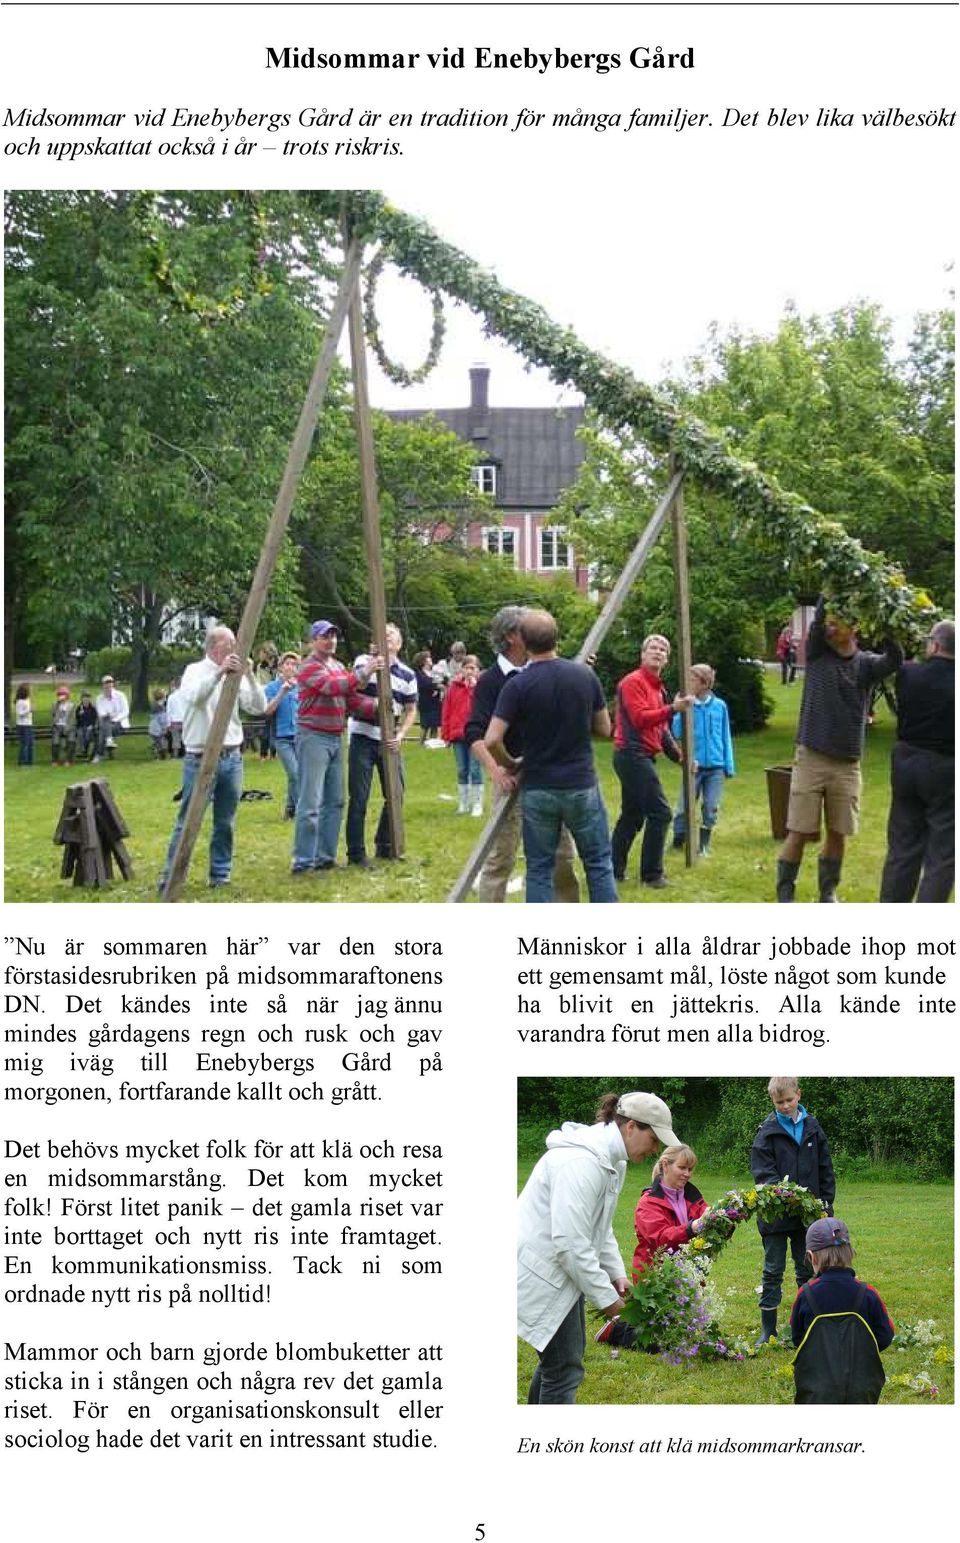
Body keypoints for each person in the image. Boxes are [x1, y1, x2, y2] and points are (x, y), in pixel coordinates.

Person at [517, 1090, 680, 1404]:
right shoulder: (581, 1162)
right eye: (654, 1138)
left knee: (560, 1364)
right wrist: (608, 1302)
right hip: (541, 1272)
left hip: (561, 1273)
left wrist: (616, 1274)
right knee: (563, 1369)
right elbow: (570, 1244)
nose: (656, 1148)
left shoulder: (609, 1161)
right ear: (631, 1126)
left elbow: (599, 1228)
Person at [484, 609, 618, 903]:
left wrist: (510, 763)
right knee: (597, 863)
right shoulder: (585, 675)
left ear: (524, 641)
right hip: (581, 784)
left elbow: (492, 739)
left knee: (540, 869)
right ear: (556, 638)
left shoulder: (517, 685)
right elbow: (605, 729)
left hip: (539, 788)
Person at [776, 597, 902, 902]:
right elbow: (817, 623)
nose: (830, 627)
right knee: (799, 830)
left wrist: (885, 615)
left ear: (854, 628)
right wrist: (832, 590)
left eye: (837, 623)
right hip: (811, 757)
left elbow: (895, 659)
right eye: (828, 622)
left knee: (838, 831)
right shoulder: (819, 653)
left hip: (846, 763)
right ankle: (785, 896)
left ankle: (828, 893)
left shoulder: (867, 665)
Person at [466, 604, 580, 903]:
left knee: (561, 856)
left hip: (549, 777)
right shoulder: (491, 681)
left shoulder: (542, 671)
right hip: (512, 778)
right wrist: (496, 770)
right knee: (500, 857)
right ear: (512, 636)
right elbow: (475, 734)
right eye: (527, 627)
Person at [158, 625, 266, 891]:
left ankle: (220, 875)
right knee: (187, 820)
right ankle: (170, 877)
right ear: (215, 646)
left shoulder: (238, 671)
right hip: (199, 756)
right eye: (230, 644)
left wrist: (250, 676)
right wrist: (220, 673)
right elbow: (195, 698)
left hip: (231, 756)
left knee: (225, 820)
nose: (235, 649)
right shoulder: (195, 671)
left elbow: (259, 707)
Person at [751, 1076, 836, 1346]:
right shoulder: (767, 1131)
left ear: (798, 1095)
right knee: (772, 1270)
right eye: (779, 1102)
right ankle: (768, 1329)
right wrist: (786, 1196)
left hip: (807, 1218)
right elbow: (763, 1173)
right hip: (776, 1216)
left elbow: (825, 1168)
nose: (785, 1106)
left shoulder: (813, 1127)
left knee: (806, 1268)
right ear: (772, 1102)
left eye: (789, 1100)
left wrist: (825, 1203)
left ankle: (807, 1322)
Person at [291, 621, 380, 876]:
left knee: (336, 801)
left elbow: (349, 699)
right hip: (313, 737)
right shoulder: (308, 667)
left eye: (333, 635)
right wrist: (365, 671)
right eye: (324, 636)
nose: (330, 640)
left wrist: (376, 706)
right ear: (312, 641)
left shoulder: (338, 666)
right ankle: (303, 862)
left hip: (335, 736)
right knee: (310, 802)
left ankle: (325, 857)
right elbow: (333, 687)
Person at [879, 618, 954, 903]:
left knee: (902, 845)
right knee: (943, 853)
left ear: (934, 645)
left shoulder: (908, 674)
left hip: (907, 763)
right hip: (947, 768)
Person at [611, 634, 694, 888]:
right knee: (661, 813)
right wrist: (673, 709)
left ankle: (612, 870)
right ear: (642, 654)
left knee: (632, 817)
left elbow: (662, 730)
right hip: (631, 755)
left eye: (663, 650)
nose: (658, 652)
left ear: (667, 659)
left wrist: (680, 757)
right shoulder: (632, 682)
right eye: (653, 648)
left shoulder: (658, 688)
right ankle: (652, 876)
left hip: (641, 756)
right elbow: (640, 719)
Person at [790, 1218, 895, 1404]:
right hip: (862, 1389)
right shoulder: (868, 1293)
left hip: (816, 1390)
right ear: (850, 1253)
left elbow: (798, 1339)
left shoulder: (805, 1295)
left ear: (811, 1256)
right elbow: (885, 1335)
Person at [345, 623, 418, 867]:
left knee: (396, 792)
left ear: (399, 644)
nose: (387, 638)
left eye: (392, 635)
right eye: (383, 634)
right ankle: (356, 853)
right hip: (363, 737)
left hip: (389, 740)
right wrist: (370, 668)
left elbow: (410, 709)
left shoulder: (407, 674)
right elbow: (357, 686)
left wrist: (401, 734)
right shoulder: (363, 660)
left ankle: (385, 845)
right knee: (360, 796)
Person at [671, 662, 735, 856]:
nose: (688, 683)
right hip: (693, 766)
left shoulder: (719, 706)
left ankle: (704, 844)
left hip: (716, 766)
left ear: (705, 683)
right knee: (684, 805)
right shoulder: (688, 705)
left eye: (693, 679)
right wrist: (678, 710)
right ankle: (678, 839)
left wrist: (728, 765)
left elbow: (725, 735)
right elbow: (676, 732)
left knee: (711, 806)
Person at [440, 653, 484, 815]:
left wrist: (473, 688)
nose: (470, 671)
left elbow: (482, 708)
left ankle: (477, 803)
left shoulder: (481, 687)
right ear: (462, 669)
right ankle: (463, 803)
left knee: (475, 768)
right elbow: (447, 710)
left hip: (476, 734)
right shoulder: (453, 688)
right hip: (457, 733)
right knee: (462, 769)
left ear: (478, 670)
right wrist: (446, 734)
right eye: (467, 668)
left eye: (473, 668)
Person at [263, 651, 301, 819]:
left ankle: (290, 809)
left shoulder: (301, 687)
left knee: (298, 775)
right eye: (287, 664)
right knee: (294, 773)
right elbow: (268, 710)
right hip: (281, 738)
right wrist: (282, 692)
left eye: (294, 665)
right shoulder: (272, 687)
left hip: (300, 736)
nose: (291, 667)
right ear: (280, 667)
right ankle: (300, 810)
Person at [92, 674, 129, 762]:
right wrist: (108, 716)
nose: (109, 685)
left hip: (120, 723)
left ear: (113, 684)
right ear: (103, 685)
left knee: (103, 730)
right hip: (106, 722)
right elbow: (101, 713)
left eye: (110, 682)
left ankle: (99, 755)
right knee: (105, 725)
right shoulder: (99, 698)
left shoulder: (121, 695)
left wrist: (114, 719)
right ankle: (109, 741)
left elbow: (125, 711)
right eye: (106, 683)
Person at [412, 650, 443, 744]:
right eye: (428, 658)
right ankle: (421, 743)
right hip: (426, 703)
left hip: (435, 702)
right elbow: (424, 684)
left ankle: (433, 743)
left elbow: (441, 682)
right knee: (425, 726)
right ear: (424, 661)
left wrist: (437, 687)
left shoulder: (433, 672)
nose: (431, 659)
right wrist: (436, 686)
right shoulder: (419, 674)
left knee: (435, 725)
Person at [50, 685, 77, 766]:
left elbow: (72, 719)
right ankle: (55, 760)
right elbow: (54, 716)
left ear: (67, 696)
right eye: (60, 694)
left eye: (63, 694)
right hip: (57, 726)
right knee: (55, 741)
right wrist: (58, 705)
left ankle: (69, 760)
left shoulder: (72, 706)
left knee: (71, 739)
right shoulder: (55, 705)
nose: (61, 696)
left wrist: (67, 728)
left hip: (68, 726)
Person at [75, 691, 99, 761]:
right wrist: (79, 715)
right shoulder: (79, 708)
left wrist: (92, 725)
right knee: (80, 733)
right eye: (84, 698)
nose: (86, 700)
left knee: (88, 733)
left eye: (88, 698)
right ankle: (83, 750)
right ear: (81, 699)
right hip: (81, 726)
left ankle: (84, 751)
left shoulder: (92, 709)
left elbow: (94, 718)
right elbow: (76, 719)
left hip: (90, 727)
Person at [14, 684, 34, 766]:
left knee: (30, 743)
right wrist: (29, 710)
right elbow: (20, 713)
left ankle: (29, 761)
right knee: (24, 744)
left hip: (29, 724)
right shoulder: (20, 702)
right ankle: (22, 761)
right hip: (22, 725)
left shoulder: (27, 700)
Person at [147, 689, 169, 760]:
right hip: (158, 729)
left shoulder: (154, 705)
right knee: (161, 743)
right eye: (165, 696)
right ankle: (160, 754)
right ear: (162, 697)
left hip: (153, 729)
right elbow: (162, 720)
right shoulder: (161, 708)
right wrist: (165, 728)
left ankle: (156, 751)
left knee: (158, 742)